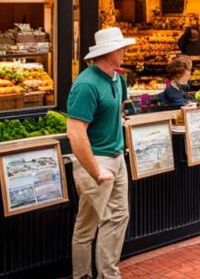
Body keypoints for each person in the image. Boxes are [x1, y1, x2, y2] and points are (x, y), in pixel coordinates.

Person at [67, 27, 135, 279]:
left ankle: (109, 274)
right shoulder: (86, 84)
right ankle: (82, 275)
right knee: (87, 225)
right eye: (121, 48)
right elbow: (75, 132)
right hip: (95, 160)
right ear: (107, 53)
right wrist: (95, 171)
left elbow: (118, 113)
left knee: (117, 218)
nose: (124, 51)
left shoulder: (118, 79)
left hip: (117, 157)